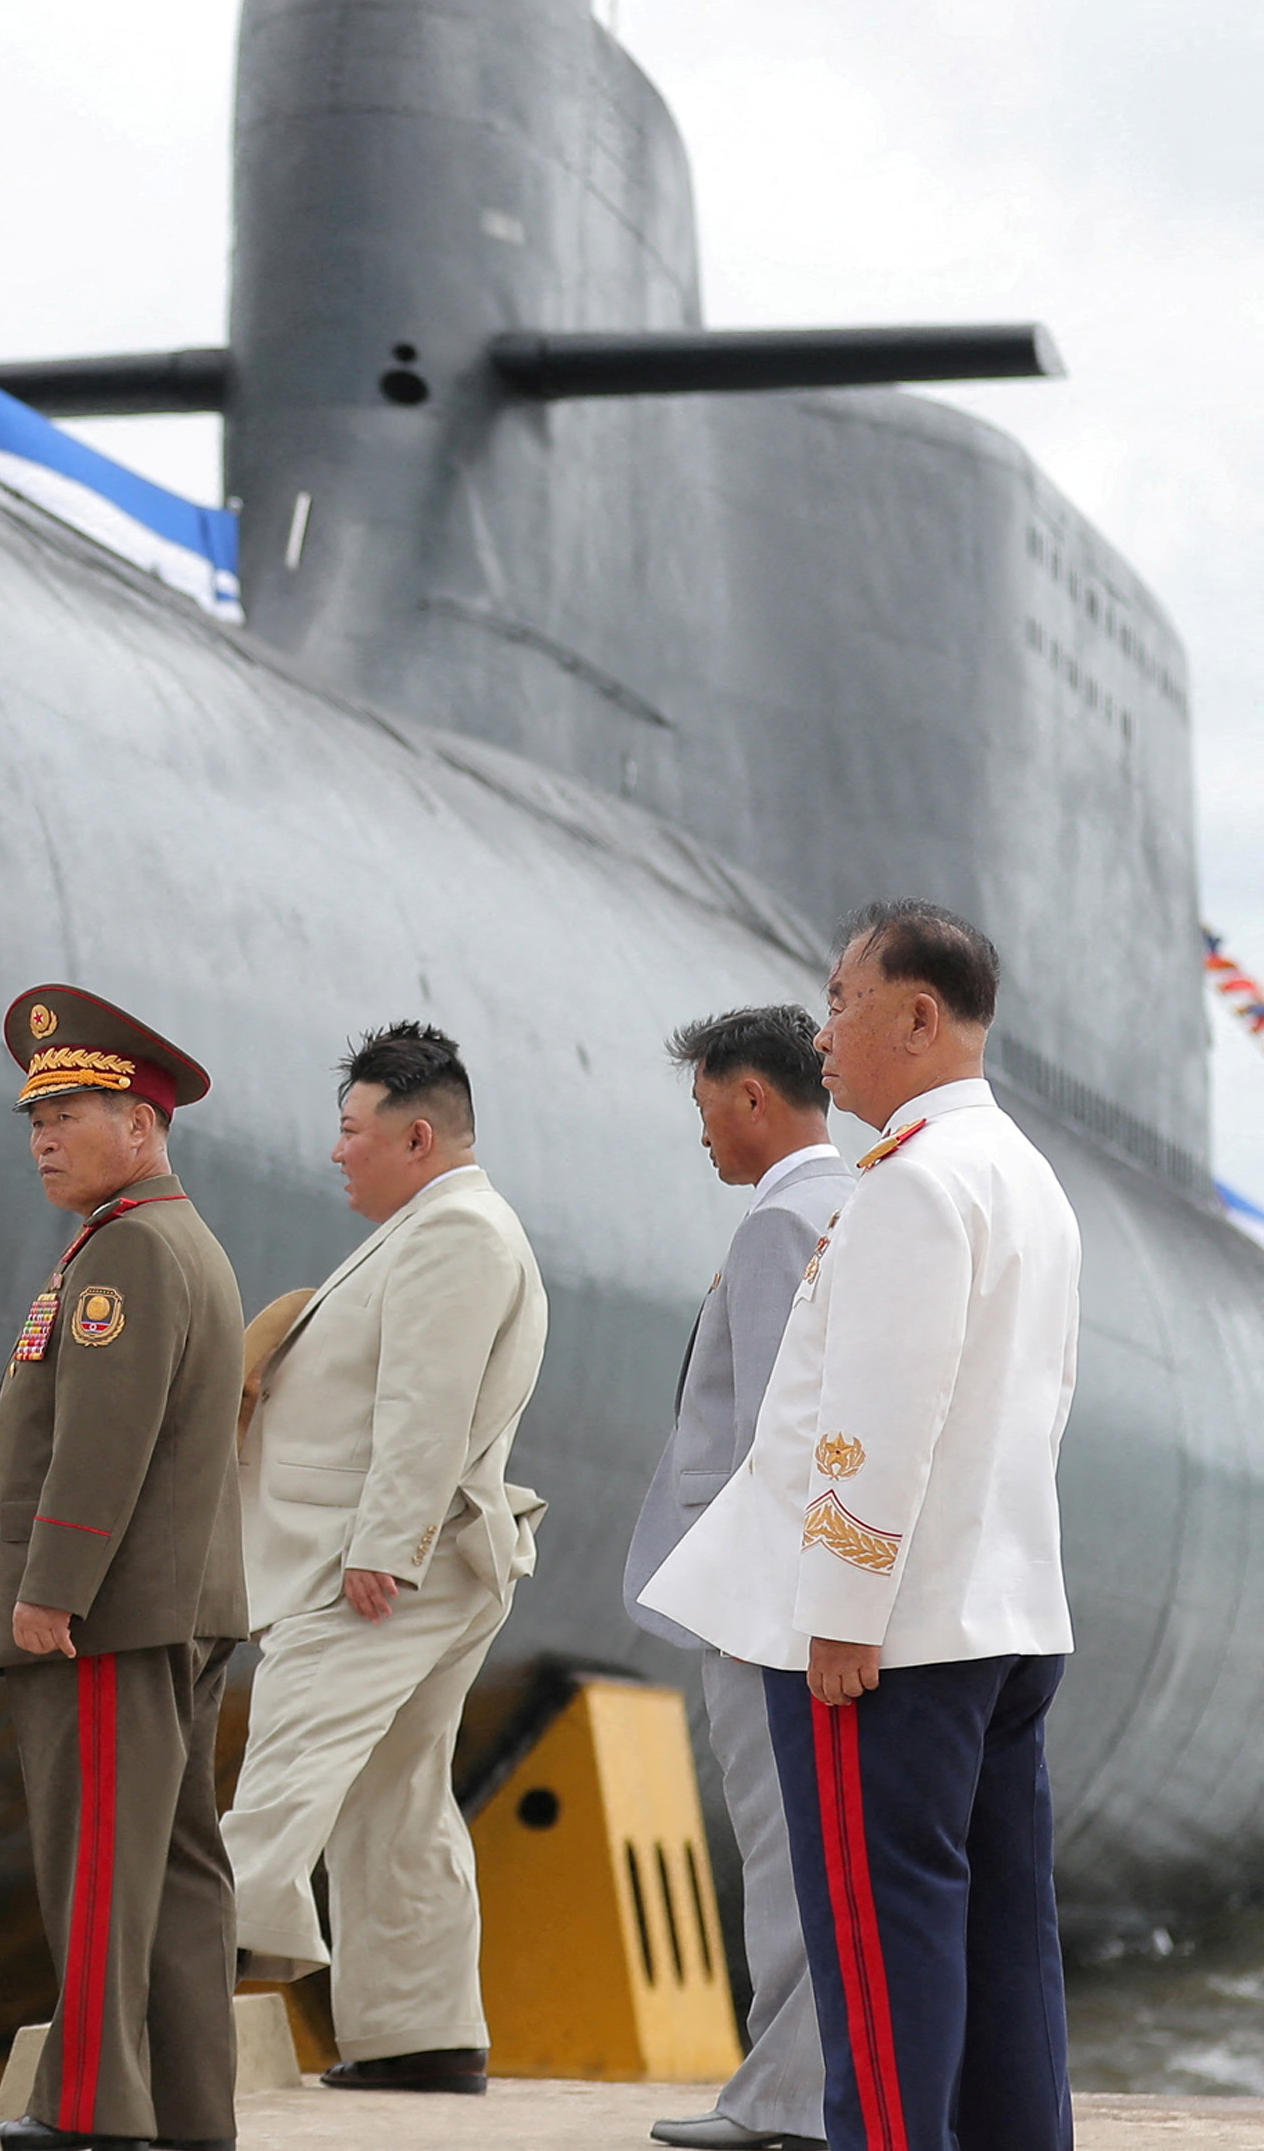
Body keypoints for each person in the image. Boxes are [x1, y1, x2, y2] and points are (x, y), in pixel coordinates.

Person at [639, 905, 1079, 2151]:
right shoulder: (1029, 1180)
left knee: (880, 1954)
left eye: (841, 1001)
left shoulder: (914, 1184)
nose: (821, 1032)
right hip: (1001, 1615)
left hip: (884, 1642)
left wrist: (839, 1610)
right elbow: (1040, 1409)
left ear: (919, 1016)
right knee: (1003, 1937)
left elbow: (877, 1421)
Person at [221, 1021, 546, 2095]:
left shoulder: (456, 1234)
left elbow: (426, 1405)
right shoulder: (440, 1224)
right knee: (396, 1800)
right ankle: (420, 2036)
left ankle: (165, 1999)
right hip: (419, 1559)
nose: (336, 1150)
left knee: (285, 1769)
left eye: (352, 1130)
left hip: (377, 1571)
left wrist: (385, 1551)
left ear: (417, 1136)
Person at [0, 984, 250, 2151]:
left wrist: (51, 1590)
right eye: (35, 1116)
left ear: (141, 1124)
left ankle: (89, 2113)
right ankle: (186, 2116)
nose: (42, 1136)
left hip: (108, 1619)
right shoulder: (168, 1239)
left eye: (72, 1111)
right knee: (177, 1874)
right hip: (171, 1609)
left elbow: (102, 1440)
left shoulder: (128, 1253)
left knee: (98, 1870)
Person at [624, 1007, 853, 2151]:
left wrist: (763, 1606)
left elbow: (781, 1443)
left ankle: (783, 2100)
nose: (704, 1134)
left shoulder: (781, 1225)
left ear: (751, 1096)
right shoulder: (851, 1201)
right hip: (812, 1600)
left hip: (765, 1607)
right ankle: (818, 2090)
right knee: (817, 1853)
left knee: (782, 1853)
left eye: (708, 1106)